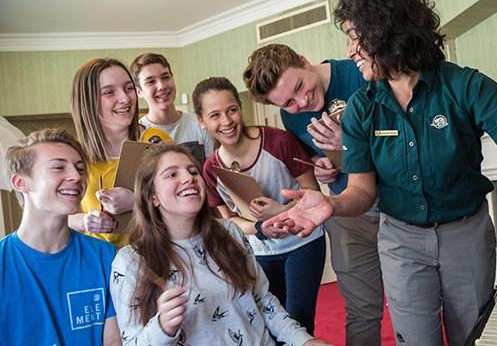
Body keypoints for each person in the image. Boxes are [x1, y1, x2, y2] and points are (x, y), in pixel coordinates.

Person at [264, 0, 497, 345]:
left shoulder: (466, 85)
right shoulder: (361, 107)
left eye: (356, 38)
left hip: (465, 235)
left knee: (472, 335)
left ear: (390, 32)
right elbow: (361, 191)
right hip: (400, 240)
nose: (349, 52)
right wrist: (333, 204)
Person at [109, 142, 331, 346]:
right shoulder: (131, 261)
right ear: (152, 197)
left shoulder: (229, 232)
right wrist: (162, 328)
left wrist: (303, 341)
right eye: (172, 174)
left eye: (193, 171)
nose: (188, 177)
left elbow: (263, 301)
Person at [244, 44, 384, 346]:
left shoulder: (361, 74)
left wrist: (350, 144)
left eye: (299, 87)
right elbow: (317, 158)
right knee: (360, 307)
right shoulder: (291, 118)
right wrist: (322, 167)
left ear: (305, 62)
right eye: (288, 103)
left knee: (408, 300)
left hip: (396, 204)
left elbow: (396, 144)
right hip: (345, 211)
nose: (302, 102)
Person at [193, 76, 325, 335]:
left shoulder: (279, 141)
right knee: (268, 322)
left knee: (298, 320)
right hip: (260, 251)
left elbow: (313, 192)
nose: (226, 121)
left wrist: (280, 210)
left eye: (231, 110)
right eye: (215, 115)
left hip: (303, 242)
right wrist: (260, 226)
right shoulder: (211, 169)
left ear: (240, 109)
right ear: (202, 121)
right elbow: (230, 220)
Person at [0, 128, 120, 345]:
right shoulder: (3, 263)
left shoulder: (105, 256)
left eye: (80, 169)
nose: (76, 176)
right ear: (21, 183)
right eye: (58, 168)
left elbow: (113, 341)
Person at [69, 58, 172, 248]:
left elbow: (183, 200)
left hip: (154, 256)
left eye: (128, 88)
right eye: (109, 92)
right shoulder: (74, 153)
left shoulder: (156, 140)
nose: (125, 99)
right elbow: (52, 216)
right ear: (88, 101)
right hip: (99, 263)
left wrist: (137, 202)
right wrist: (84, 221)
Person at [131, 52, 215, 162]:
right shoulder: (136, 135)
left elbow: (211, 173)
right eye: (151, 82)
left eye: (165, 77)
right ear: (139, 92)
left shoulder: (200, 125)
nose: (162, 86)